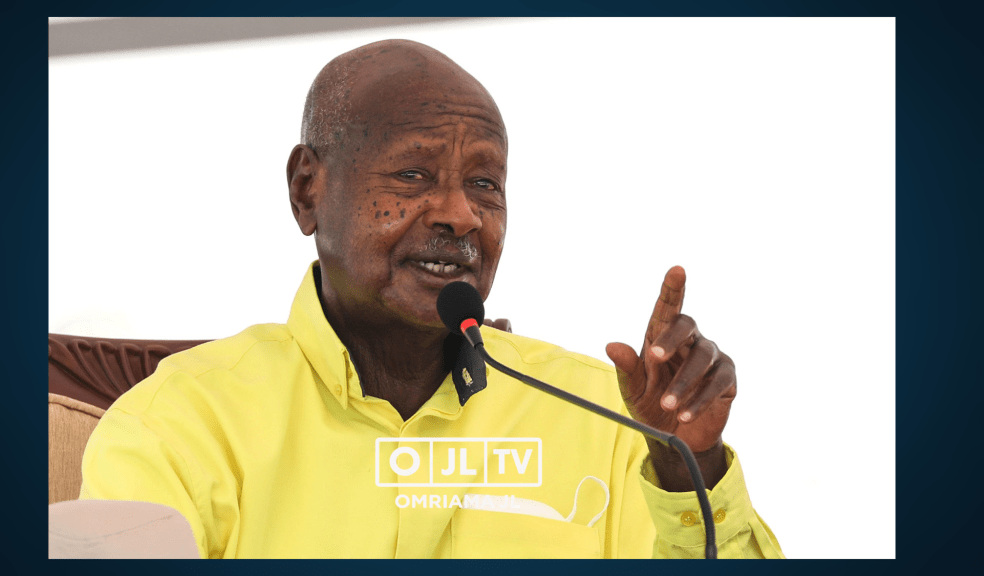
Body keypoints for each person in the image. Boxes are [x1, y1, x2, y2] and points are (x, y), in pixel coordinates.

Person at [79, 39, 784, 559]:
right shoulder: (180, 424)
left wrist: (687, 466)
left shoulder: (610, 419)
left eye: (484, 184)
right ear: (307, 191)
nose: (461, 215)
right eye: (414, 174)